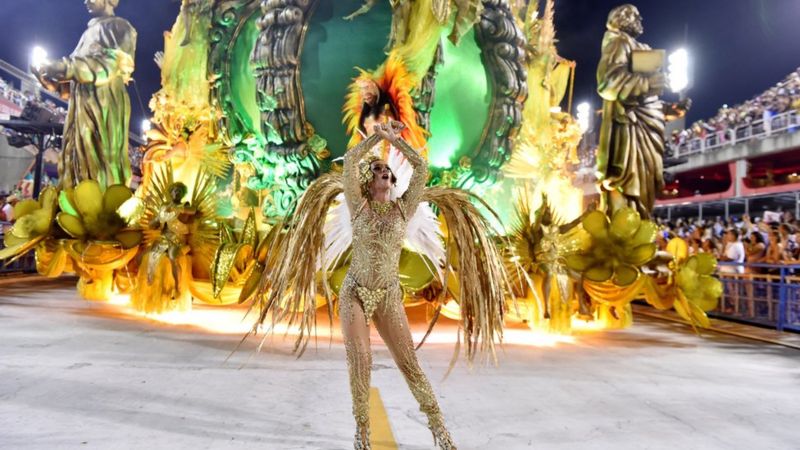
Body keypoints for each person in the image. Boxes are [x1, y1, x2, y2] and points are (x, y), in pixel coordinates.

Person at [34, 0, 137, 189]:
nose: (87, 1)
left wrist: (64, 68)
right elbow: (75, 76)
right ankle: (73, 202)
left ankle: (102, 207)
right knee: (76, 160)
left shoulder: (120, 27)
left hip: (103, 105)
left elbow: (109, 64)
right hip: (80, 108)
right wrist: (52, 78)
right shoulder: (88, 32)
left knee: (102, 161)